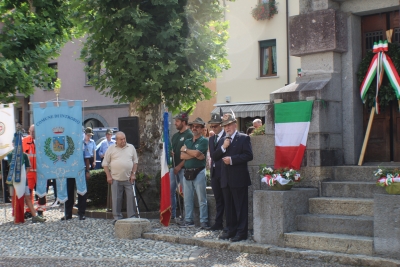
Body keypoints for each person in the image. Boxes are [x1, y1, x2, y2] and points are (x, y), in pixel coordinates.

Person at [213, 113, 253, 242]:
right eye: (225, 126)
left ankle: (242, 232)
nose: (227, 128)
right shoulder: (222, 139)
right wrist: (224, 147)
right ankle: (230, 229)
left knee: (240, 207)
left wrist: (232, 160)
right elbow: (215, 156)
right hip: (225, 179)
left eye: (229, 125)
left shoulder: (243, 138)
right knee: (229, 207)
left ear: (235, 125)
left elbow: (248, 155)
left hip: (239, 179)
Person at [102, 131, 138, 224]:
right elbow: (105, 163)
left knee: (130, 198)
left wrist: (133, 174)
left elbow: (135, 162)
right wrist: (108, 176)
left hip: (128, 178)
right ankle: (117, 218)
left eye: (124, 138)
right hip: (115, 178)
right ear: (116, 140)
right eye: (121, 139)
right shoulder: (111, 149)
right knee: (116, 199)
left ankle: (131, 217)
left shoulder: (131, 147)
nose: (123, 141)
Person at [179, 117, 209, 229]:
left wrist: (187, 151)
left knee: (202, 198)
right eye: (193, 126)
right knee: (187, 198)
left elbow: (197, 154)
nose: (194, 128)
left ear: (202, 129)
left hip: (199, 171)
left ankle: (204, 221)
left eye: (197, 126)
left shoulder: (205, 141)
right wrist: (194, 154)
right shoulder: (187, 141)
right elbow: (182, 156)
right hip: (187, 172)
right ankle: (188, 220)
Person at [7, 141, 46, 224]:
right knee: (16, 198)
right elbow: (11, 166)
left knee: (27, 197)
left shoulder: (24, 155)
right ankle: (17, 217)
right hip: (15, 181)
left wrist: (23, 176)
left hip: (24, 180)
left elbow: (28, 167)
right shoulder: (10, 154)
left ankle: (34, 216)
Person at [170, 110, 193, 222]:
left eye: (177, 121)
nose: (175, 123)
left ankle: (186, 216)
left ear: (184, 122)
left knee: (186, 192)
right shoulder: (174, 136)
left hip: (184, 168)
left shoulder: (189, 135)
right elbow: (173, 150)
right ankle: (172, 214)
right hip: (173, 167)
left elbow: (190, 154)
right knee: (170, 190)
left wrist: (179, 166)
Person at [22, 125, 47, 217]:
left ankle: (40, 211)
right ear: (29, 131)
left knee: (41, 192)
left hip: (40, 172)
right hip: (29, 172)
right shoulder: (24, 141)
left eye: (34, 131)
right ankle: (29, 210)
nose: (32, 133)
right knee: (28, 192)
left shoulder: (43, 141)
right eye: (31, 131)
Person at [208, 113, 226, 231]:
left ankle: (228, 224)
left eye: (215, 126)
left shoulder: (226, 136)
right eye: (212, 126)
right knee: (218, 199)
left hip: (224, 171)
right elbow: (212, 155)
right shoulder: (211, 138)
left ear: (221, 125)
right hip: (214, 171)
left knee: (226, 199)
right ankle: (218, 222)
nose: (213, 129)